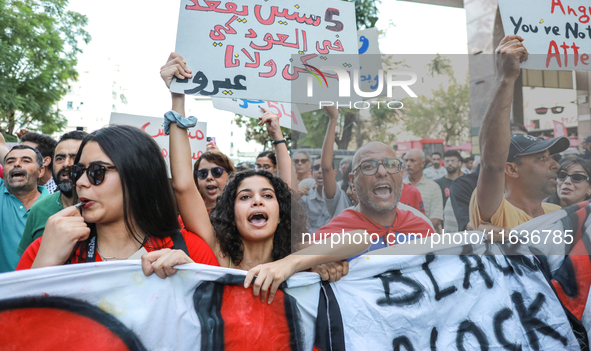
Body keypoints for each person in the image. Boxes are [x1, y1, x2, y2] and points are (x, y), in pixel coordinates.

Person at [153, 53, 365, 303]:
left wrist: (291, 265)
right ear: (230, 211)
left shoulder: (295, 252)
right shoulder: (218, 253)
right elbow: (184, 185)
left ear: (281, 211)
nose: (257, 201)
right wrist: (178, 97)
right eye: (245, 196)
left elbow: (359, 238)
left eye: (267, 195)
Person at [17, 125, 219, 270]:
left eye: (97, 171)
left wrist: (193, 282)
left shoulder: (189, 251)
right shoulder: (47, 248)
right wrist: (45, 264)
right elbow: (13, 326)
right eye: (79, 171)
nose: (80, 182)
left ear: (138, 176)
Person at [469, 35, 569, 233]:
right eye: (541, 158)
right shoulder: (498, 213)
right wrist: (505, 78)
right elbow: (491, 164)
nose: (556, 164)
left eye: (551, 157)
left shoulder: (559, 213)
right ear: (512, 170)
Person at [315, 141, 434, 251]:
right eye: (369, 166)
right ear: (352, 181)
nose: (382, 172)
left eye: (391, 164)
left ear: (401, 175)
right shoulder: (332, 238)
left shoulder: (423, 229)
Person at [17, 131, 88, 255]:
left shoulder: (102, 209)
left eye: (74, 157)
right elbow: (27, 263)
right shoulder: (39, 209)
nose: (66, 164)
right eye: (60, 158)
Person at [0, 145, 48, 272]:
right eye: (10, 161)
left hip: (38, 288)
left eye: (26, 161)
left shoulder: (55, 205)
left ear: (40, 171)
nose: (17, 164)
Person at [403, 149, 444, 232]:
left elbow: (436, 219)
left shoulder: (433, 187)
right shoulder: (399, 187)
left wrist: (416, 235)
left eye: (412, 161)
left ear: (422, 163)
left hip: (426, 239)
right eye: (406, 160)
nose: (408, 164)